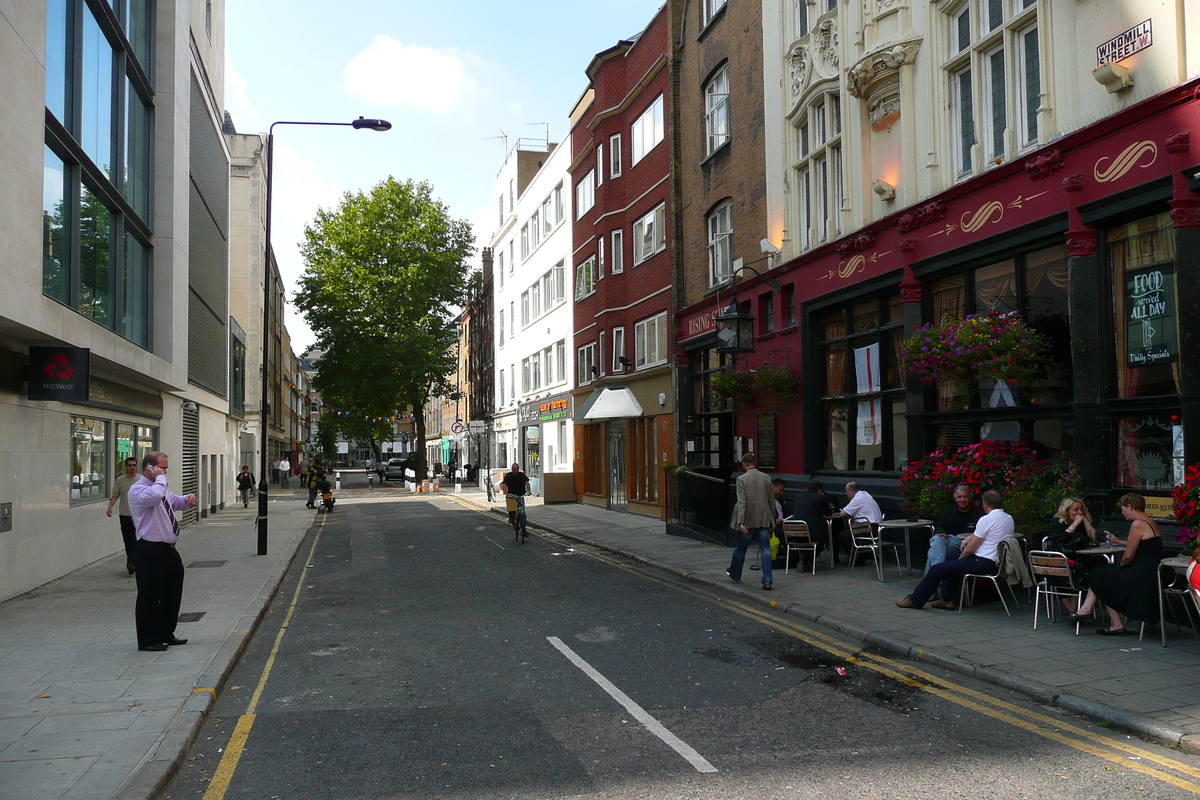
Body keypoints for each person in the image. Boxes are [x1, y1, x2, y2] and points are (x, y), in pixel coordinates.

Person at [896, 490, 1014, 610]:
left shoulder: (986, 519)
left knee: (937, 569)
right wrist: (970, 537)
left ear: (986, 504)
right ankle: (948, 599)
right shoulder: (1008, 518)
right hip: (996, 562)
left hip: (983, 562)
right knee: (951, 556)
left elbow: (970, 549)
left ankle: (915, 600)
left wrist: (961, 559)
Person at [128, 451, 197, 652]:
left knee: (172, 593)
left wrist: (187, 500)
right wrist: (160, 478)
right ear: (149, 467)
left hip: (168, 550)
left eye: (166, 468)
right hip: (149, 549)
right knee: (149, 596)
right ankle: (147, 640)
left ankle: (166, 632)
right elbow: (156, 496)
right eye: (162, 467)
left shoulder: (160, 486)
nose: (165, 471)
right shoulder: (138, 490)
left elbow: (172, 501)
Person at [1067, 493, 1164, 635]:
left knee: (1101, 575)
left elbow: (1128, 555)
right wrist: (1120, 542)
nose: (1122, 513)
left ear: (1130, 507)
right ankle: (1088, 610)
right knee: (1104, 574)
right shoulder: (1150, 522)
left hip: (1141, 574)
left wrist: (1122, 566)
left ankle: (1105, 618)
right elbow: (1143, 544)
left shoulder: (1137, 524)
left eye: (1123, 509)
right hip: (1152, 572)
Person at [726, 452, 776, 590]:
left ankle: (736, 575)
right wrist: (772, 521)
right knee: (766, 550)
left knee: (741, 549)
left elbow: (742, 502)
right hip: (764, 518)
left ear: (743, 465)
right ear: (755, 463)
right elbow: (772, 502)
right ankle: (767, 580)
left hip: (748, 519)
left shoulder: (741, 479)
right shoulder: (766, 478)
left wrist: (741, 521)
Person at [924, 484, 986, 575]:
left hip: (965, 542)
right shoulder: (950, 510)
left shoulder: (977, 512)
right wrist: (941, 532)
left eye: (965, 497)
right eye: (959, 497)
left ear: (970, 498)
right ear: (955, 499)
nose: (962, 500)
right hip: (949, 538)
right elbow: (940, 525)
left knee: (934, 551)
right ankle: (937, 573)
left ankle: (934, 576)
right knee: (936, 540)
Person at [106, 457, 141, 575]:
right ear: (126, 467)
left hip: (138, 515)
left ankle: (134, 561)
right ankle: (130, 561)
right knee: (127, 540)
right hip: (125, 514)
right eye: (130, 465)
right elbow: (115, 495)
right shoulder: (120, 480)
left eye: (134, 465)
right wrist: (110, 507)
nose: (132, 467)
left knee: (136, 539)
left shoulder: (141, 479)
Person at [836, 482, 883, 564]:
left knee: (842, 536)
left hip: (869, 528)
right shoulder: (865, 494)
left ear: (851, 492)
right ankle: (863, 555)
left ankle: (859, 557)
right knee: (848, 532)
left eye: (847, 492)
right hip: (877, 527)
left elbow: (843, 513)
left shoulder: (857, 499)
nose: (846, 494)